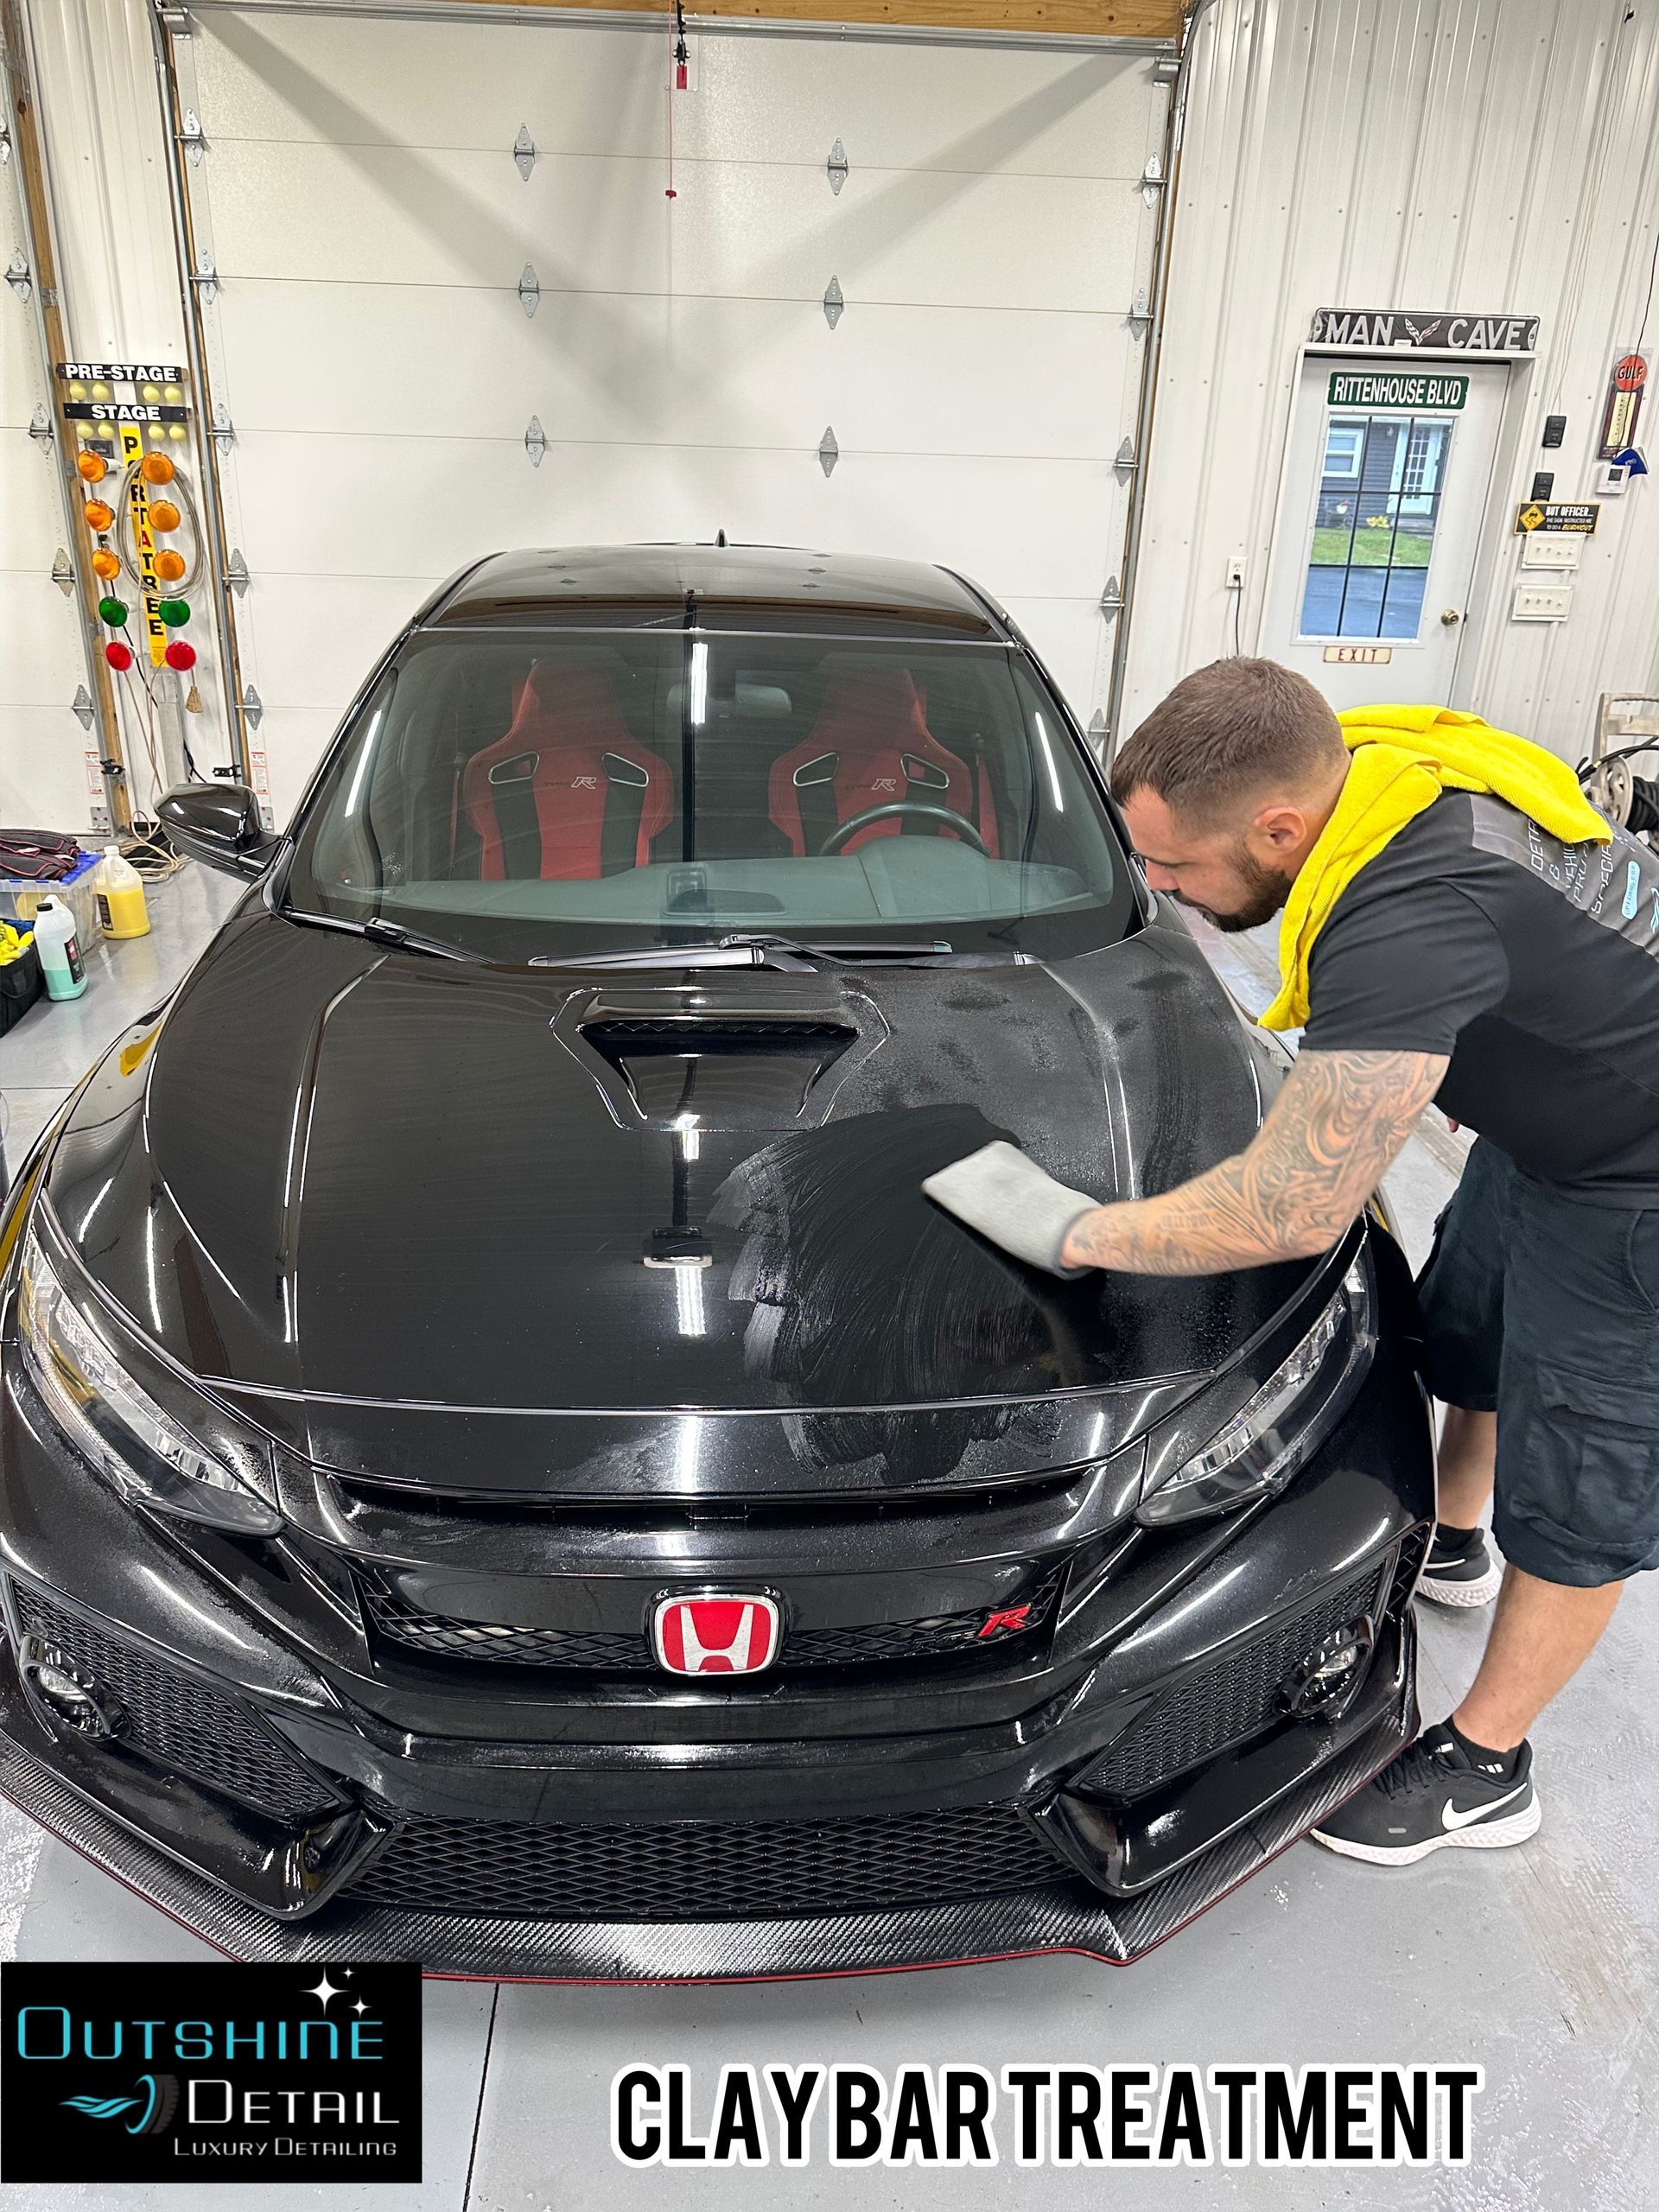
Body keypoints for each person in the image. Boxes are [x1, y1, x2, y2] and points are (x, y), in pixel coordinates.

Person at [923, 657, 1659, 1866]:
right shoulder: (1372, 765)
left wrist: (1071, 1229)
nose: (1159, 888)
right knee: (1467, 1327)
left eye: (1176, 870)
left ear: (1278, 827)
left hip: (1640, 1184)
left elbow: (1290, 1209)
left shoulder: (1411, 912)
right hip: (1558, 1136)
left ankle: (1487, 1766)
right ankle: (1457, 1540)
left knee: (1589, 1481)